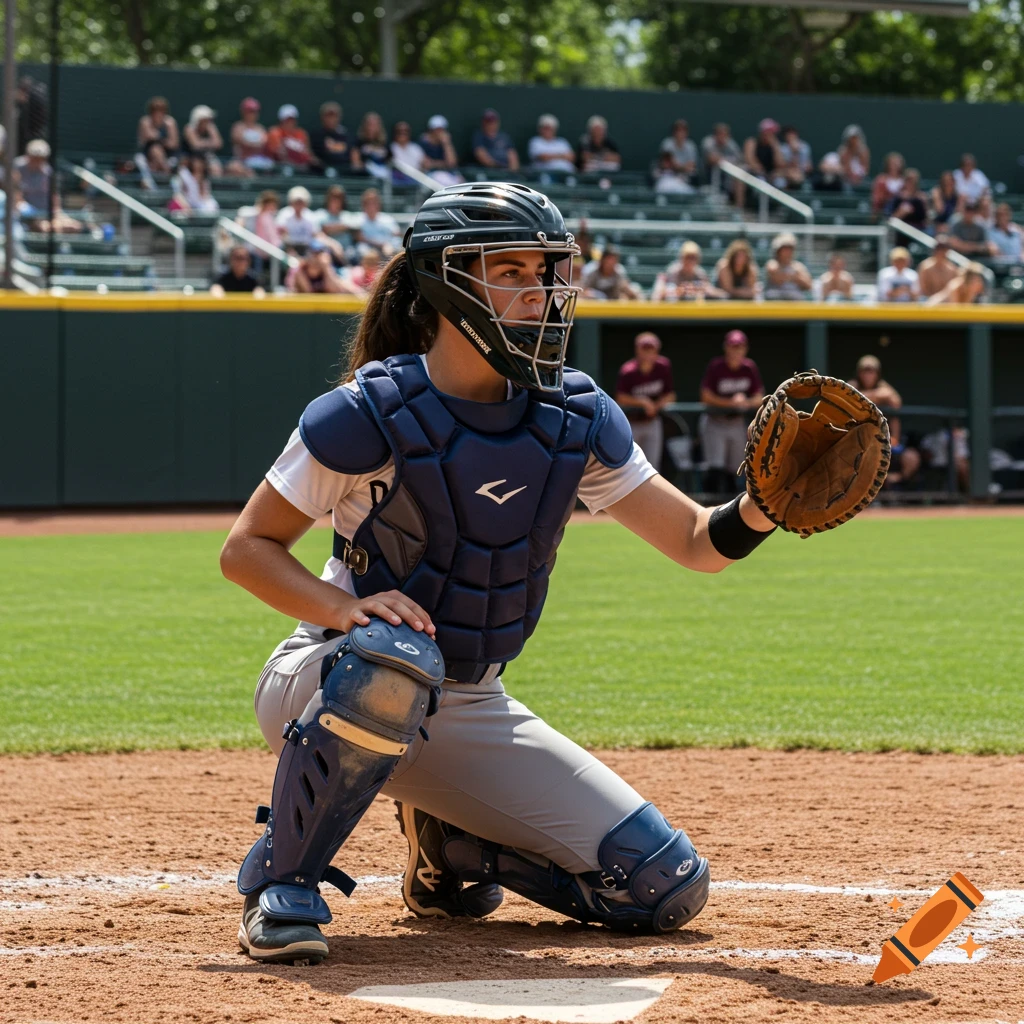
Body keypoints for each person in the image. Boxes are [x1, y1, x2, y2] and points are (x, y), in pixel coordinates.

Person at [222, 179, 778, 965]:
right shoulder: (367, 411)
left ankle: (447, 848)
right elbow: (246, 549)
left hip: (472, 697)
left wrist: (761, 508)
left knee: (663, 885)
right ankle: (283, 885)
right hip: (331, 676)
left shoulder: (575, 416)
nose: (540, 291)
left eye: (549, 270)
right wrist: (344, 609)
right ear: (446, 281)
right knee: (391, 660)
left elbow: (696, 541)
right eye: (511, 271)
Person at [699, 330, 764, 494]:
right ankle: (709, 506)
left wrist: (744, 402)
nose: (736, 351)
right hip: (715, 421)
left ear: (745, 349)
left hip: (736, 422)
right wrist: (731, 403)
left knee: (735, 470)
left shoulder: (749, 367)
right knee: (715, 467)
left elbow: (759, 397)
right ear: (726, 348)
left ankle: (731, 509)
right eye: (733, 347)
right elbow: (705, 396)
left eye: (739, 347)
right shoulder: (717, 366)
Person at [848, 355, 920, 487]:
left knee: (911, 457)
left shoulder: (884, 386)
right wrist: (877, 396)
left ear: (877, 374)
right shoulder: (853, 385)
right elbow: (849, 397)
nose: (868, 375)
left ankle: (895, 482)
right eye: (865, 371)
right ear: (859, 373)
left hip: (884, 441)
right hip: (859, 443)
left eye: (872, 371)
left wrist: (865, 397)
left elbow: (896, 401)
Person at [615, 332, 677, 472]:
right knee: (629, 465)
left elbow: (671, 395)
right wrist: (642, 402)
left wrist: (656, 405)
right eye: (645, 349)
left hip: (652, 422)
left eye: (651, 349)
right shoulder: (628, 370)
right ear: (637, 350)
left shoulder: (663, 366)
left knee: (652, 466)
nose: (648, 353)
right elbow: (621, 397)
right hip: (632, 424)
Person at [652, 241, 726, 302]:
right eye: (688, 257)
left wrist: (702, 290)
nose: (690, 261)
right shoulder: (673, 271)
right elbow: (661, 294)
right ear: (682, 258)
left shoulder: (700, 273)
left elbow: (715, 293)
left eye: (693, 258)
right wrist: (681, 290)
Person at [286, 239, 358, 294]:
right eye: (315, 253)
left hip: (326, 308)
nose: (317, 257)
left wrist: (326, 268)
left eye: (320, 253)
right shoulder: (300, 269)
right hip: (304, 309)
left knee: (348, 287)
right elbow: (308, 292)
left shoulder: (328, 268)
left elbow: (335, 290)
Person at [310, 102, 361, 176]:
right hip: (323, 172)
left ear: (339, 117)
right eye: (328, 116)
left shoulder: (347, 135)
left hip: (345, 171)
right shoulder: (316, 135)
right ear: (322, 117)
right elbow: (312, 156)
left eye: (334, 116)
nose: (331, 119)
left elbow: (354, 153)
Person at [700, 123, 745, 207]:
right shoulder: (708, 142)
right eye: (719, 134)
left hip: (728, 179)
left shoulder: (730, 144)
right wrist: (727, 161)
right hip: (709, 178)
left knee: (740, 174)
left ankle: (739, 208)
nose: (722, 137)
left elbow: (740, 159)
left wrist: (723, 160)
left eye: (724, 134)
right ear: (715, 134)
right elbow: (712, 159)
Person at [228, 98, 273, 176]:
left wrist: (250, 145)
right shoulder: (238, 127)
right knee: (233, 167)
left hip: (259, 160)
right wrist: (252, 145)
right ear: (243, 112)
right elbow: (239, 141)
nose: (252, 114)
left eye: (254, 111)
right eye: (250, 111)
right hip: (242, 161)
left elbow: (263, 143)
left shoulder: (260, 128)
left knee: (272, 166)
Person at [136, 96, 180, 177]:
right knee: (155, 149)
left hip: (169, 154)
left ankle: (165, 173)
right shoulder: (145, 121)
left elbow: (173, 144)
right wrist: (163, 139)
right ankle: (166, 173)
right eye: (155, 110)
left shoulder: (170, 122)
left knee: (157, 150)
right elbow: (147, 138)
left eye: (161, 110)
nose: (158, 113)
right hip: (147, 154)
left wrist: (159, 139)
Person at [352, 188, 402, 257]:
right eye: (368, 203)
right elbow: (360, 238)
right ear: (363, 205)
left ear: (378, 204)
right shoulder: (358, 220)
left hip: (388, 249)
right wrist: (381, 245)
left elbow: (396, 235)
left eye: (374, 203)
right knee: (362, 249)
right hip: (368, 251)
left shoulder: (388, 219)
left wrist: (389, 246)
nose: (371, 206)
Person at [315, 185, 357, 265]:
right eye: (333, 198)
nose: (336, 201)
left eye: (339, 198)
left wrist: (329, 229)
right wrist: (334, 245)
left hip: (348, 253)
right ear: (328, 199)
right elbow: (318, 234)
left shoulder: (348, 215)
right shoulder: (320, 215)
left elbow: (355, 228)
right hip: (328, 251)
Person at [763, 233, 812, 300]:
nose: (788, 252)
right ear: (778, 250)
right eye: (785, 248)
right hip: (775, 302)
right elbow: (777, 279)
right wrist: (794, 277)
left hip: (795, 303)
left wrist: (790, 276)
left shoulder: (799, 266)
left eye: (790, 248)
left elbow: (808, 285)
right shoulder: (772, 263)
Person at [742, 118, 786, 190]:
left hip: (772, 175)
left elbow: (780, 164)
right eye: (768, 132)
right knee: (761, 180)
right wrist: (762, 172)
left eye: (773, 132)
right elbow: (750, 160)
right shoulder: (752, 142)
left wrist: (775, 147)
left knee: (780, 181)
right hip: (755, 174)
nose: (770, 135)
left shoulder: (775, 145)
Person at [266, 104, 313, 172]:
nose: (290, 123)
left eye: (292, 119)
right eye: (287, 120)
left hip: (301, 168)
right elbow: (279, 154)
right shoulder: (275, 132)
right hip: (280, 168)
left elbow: (307, 154)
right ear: (281, 120)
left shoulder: (301, 133)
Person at [419, 115, 462, 186]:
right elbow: (427, 164)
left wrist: (446, 143)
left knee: (460, 180)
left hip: (449, 174)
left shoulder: (445, 143)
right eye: (437, 130)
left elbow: (452, 163)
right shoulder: (423, 143)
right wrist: (444, 164)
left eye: (442, 130)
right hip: (430, 176)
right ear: (431, 130)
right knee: (441, 177)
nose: (440, 133)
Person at [182, 105, 224, 177]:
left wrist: (203, 142)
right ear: (198, 120)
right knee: (197, 166)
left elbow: (218, 143)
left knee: (216, 168)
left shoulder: (211, 127)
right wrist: (210, 142)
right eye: (205, 120)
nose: (208, 122)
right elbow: (195, 145)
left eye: (209, 120)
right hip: (190, 158)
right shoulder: (189, 128)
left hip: (207, 157)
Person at [887, 168, 929, 239]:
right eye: (908, 180)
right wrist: (900, 213)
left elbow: (927, 222)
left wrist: (926, 206)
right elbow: (889, 221)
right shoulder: (897, 198)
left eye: (913, 181)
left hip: (918, 236)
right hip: (899, 234)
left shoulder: (921, 199)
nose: (911, 183)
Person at [658, 119, 698, 187]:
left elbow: (691, 167)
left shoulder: (691, 146)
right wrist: (682, 167)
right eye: (678, 130)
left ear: (687, 132)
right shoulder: (667, 144)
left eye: (683, 130)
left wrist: (678, 167)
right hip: (668, 177)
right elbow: (667, 165)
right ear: (673, 132)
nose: (680, 133)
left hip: (686, 179)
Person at [356, 112, 391, 179]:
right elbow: (356, 162)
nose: (371, 127)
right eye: (369, 124)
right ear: (365, 125)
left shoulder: (385, 143)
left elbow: (390, 161)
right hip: (365, 176)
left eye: (374, 124)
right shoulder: (359, 141)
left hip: (382, 177)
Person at [871, 152, 905, 217]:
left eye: (897, 162)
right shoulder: (881, 180)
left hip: (902, 213)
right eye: (893, 162)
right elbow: (877, 199)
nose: (895, 164)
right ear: (888, 164)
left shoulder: (905, 180)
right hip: (884, 211)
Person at [837, 124, 870, 189]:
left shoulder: (864, 151)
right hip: (845, 181)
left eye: (855, 138)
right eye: (852, 138)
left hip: (861, 181)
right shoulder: (843, 151)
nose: (853, 141)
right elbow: (845, 169)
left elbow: (865, 169)